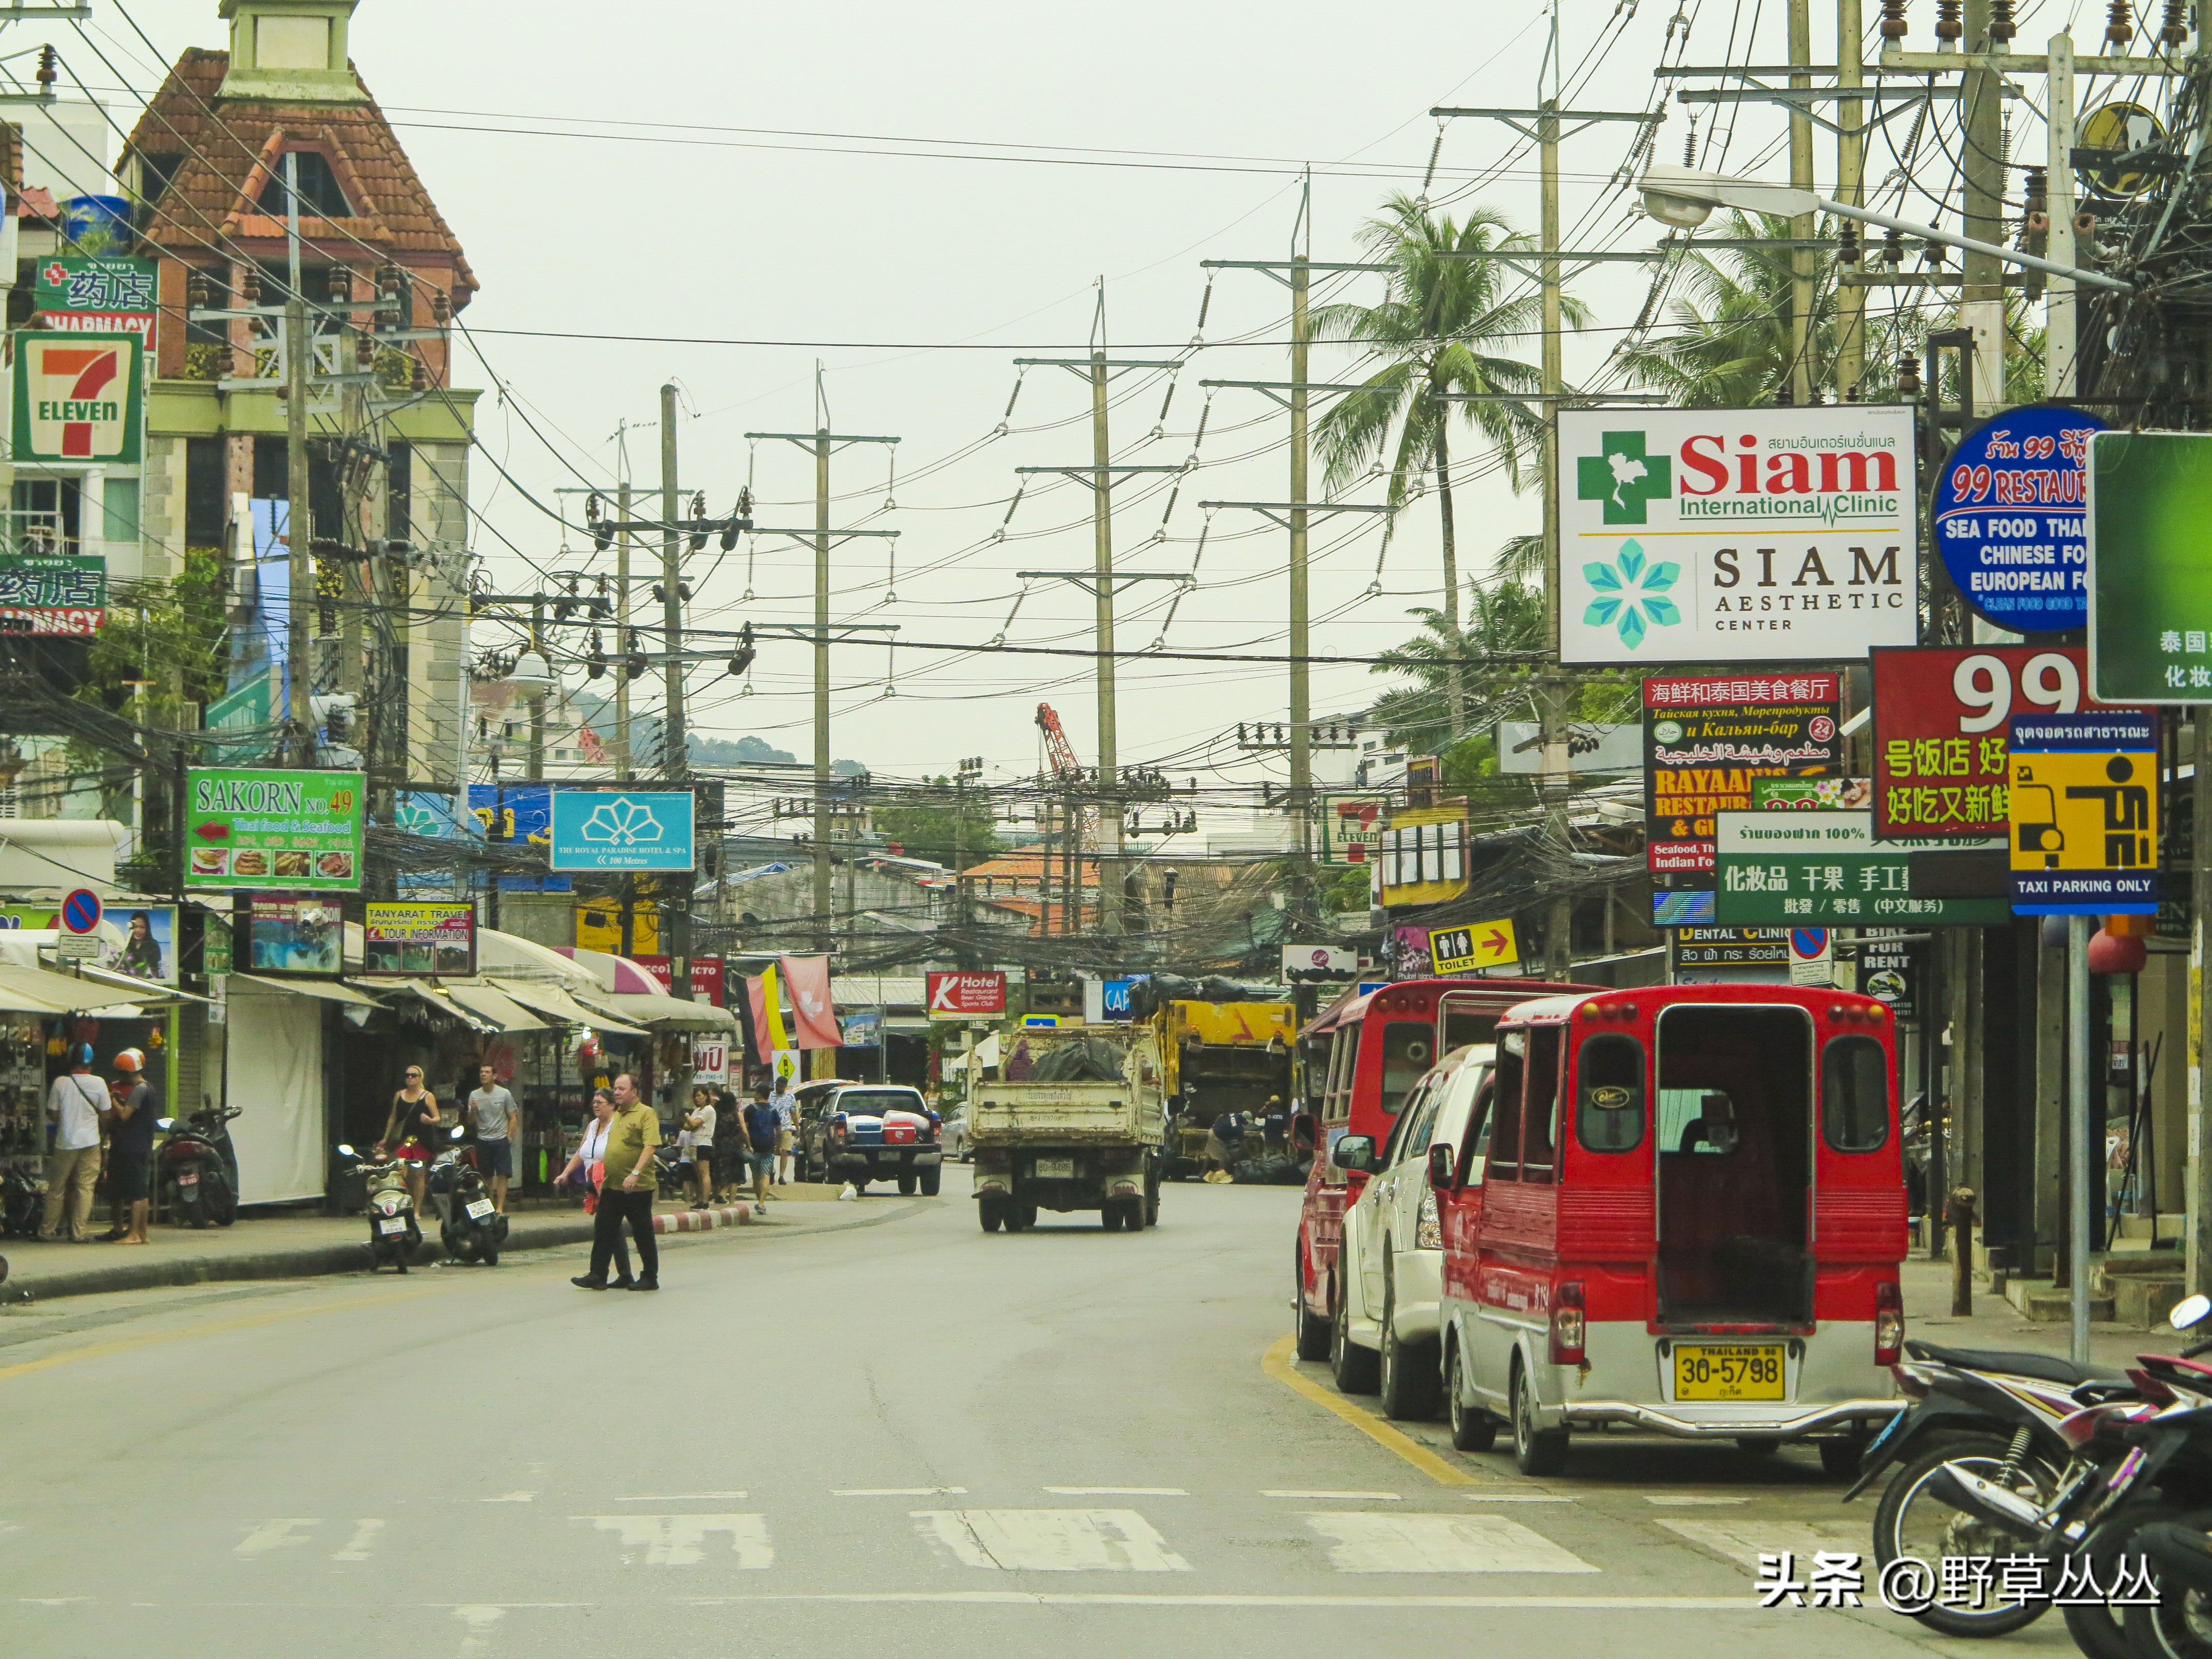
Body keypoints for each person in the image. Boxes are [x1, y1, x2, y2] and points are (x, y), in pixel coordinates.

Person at [574, 1072, 659, 1291]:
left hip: (637, 1187)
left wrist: (636, 1173)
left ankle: (649, 1276)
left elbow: (650, 1146)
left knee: (642, 1232)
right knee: (604, 1230)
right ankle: (597, 1275)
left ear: (634, 1091)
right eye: (616, 1089)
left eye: (622, 1089)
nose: (617, 1092)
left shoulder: (646, 1114)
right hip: (612, 1185)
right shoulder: (618, 1115)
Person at [555, 1087, 632, 1287]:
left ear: (612, 1106)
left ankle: (598, 1275)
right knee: (612, 1229)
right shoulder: (592, 1125)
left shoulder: (618, 1125)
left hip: (611, 1182)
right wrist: (565, 1173)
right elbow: (582, 1152)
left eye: (600, 1102)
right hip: (594, 1183)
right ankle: (624, 1274)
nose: (596, 1106)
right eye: (594, 1102)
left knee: (604, 1228)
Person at [39, 1044, 104, 1242]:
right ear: (91, 1063)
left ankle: (47, 1231)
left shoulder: (61, 1083)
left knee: (56, 1188)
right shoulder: (100, 1083)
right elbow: (106, 1113)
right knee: (85, 1187)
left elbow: (54, 1114)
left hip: (66, 1142)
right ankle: (78, 1233)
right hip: (91, 1142)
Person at [103, 1049, 158, 1244]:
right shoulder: (148, 1088)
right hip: (141, 1146)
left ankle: (134, 1234)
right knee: (141, 1192)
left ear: (127, 1072)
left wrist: (112, 1101)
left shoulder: (140, 1090)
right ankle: (142, 1233)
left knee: (136, 1192)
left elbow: (126, 1115)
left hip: (133, 1147)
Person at [378, 1065, 440, 1213]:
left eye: (413, 1075)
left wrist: (430, 1121)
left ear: (420, 1078)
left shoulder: (427, 1096)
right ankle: (405, 1203)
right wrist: (386, 1138)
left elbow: (438, 1117)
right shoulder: (399, 1095)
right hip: (406, 1139)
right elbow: (393, 1117)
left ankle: (417, 1210)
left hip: (422, 1139)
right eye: (407, 1075)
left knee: (419, 1173)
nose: (410, 1078)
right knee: (401, 1171)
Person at [465, 1061, 520, 1214]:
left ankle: (500, 1207)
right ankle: (487, 1205)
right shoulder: (475, 1095)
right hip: (483, 1139)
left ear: (495, 1075)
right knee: (485, 1176)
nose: (483, 1075)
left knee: (503, 1175)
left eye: (487, 1072)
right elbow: (471, 1121)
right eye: (482, 1072)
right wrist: (473, 1110)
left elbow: (513, 1116)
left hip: (500, 1139)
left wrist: (509, 1136)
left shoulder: (504, 1094)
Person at [743, 1086, 779, 1212]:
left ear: (758, 1094)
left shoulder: (750, 1109)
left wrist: (747, 1145)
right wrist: (777, 1145)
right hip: (768, 1147)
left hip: (754, 1147)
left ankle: (760, 1202)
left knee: (756, 1177)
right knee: (766, 1175)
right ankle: (762, 1203)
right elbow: (779, 1130)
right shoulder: (773, 1110)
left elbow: (745, 1129)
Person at [685, 1085, 718, 1207]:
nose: (697, 1098)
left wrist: (688, 1117)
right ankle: (700, 1199)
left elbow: (693, 1123)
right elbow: (687, 1127)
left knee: (704, 1173)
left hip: (703, 1143)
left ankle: (705, 1201)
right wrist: (690, 1122)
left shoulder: (709, 1110)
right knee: (698, 1174)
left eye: (700, 1095)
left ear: (706, 1096)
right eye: (695, 1096)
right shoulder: (697, 1111)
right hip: (694, 1143)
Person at [115, 910, 163, 980]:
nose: (138, 930)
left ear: (147, 928)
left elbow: (156, 970)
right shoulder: (125, 944)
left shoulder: (153, 945)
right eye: (136, 927)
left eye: (142, 927)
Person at [769, 1082, 796, 1185]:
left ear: (785, 1086)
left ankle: (781, 1176)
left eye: (780, 1086)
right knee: (771, 1152)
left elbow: (794, 1113)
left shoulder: (790, 1097)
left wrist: (797, 1128)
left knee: (785, 1151)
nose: (778, 1088)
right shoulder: (771, 1096)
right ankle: (771, 1172)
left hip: (786, 1127)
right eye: (777, 1086)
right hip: (772, 1128)